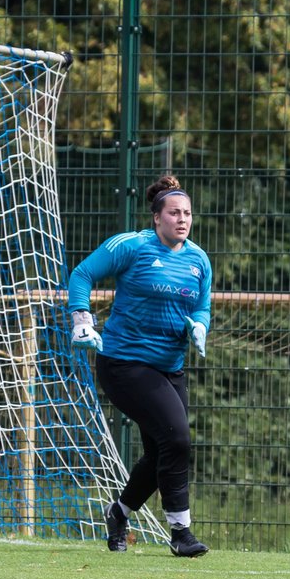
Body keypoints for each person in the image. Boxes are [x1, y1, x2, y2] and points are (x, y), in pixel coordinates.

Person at [68, 174, 213, 557]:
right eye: (174, 213)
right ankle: (181, 534)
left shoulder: (198, 260)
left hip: (170, 366)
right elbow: (82, 273)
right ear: (156, 218)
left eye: (187, 213)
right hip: (124, 364)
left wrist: (200, 324)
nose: (182, 219)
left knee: (161, 450)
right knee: (178, 438)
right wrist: (82, 319)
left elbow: (202, 304)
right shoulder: (131, 246)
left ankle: (118, 512)